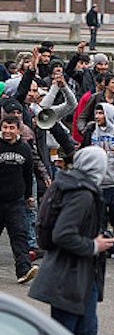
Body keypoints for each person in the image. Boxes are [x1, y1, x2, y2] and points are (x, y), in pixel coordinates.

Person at [29, 146, 114, 335]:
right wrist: (94, 245)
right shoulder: (82, 194)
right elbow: (63, 234)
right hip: (69, 275)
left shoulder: (78, 187)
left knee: (82, 333)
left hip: (80, 274)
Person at [81, 103, 114, 257]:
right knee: (99, 217)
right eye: (96, 113)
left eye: (101, 113)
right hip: (97, 184)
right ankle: (106, 247)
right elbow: (83, 151)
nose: (97, 117)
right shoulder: (91, 131)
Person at [0, 115, 39, 283]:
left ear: (18, 130)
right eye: (5, 127)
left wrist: (29, 195)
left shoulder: (24, 149)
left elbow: (28, 175)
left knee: (20, 235)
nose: (8, 131)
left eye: (11, 128)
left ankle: (23, 270)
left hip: (16, 201)